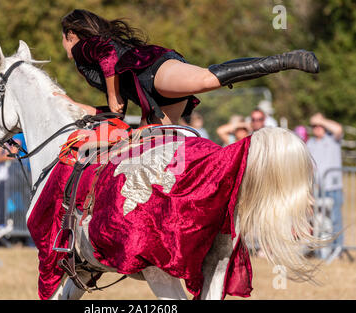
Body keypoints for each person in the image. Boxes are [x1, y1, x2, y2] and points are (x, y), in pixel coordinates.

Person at [57, 9, 319, 126]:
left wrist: (113, 97)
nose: (63, 45)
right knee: (150, 157)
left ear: (71, 34)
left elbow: (107, 53)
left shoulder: (83, 47)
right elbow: (116, 113)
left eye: (63, 39)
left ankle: (284, 60)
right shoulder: (87, 62)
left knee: (207, 79)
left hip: (151, 70)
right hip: (152, 97)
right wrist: (72, 104)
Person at [306, 113, 344, 258]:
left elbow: (338, 129)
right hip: (317, 189)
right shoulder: (310, 143)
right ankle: (320, 250)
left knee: (335, 220)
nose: (317, 128)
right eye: (314, 125)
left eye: (319, 125)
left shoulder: (333, 139)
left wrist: (321, 120)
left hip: (333, 188)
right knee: (319, 222)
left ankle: (338, 249)